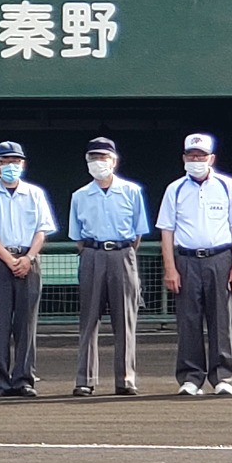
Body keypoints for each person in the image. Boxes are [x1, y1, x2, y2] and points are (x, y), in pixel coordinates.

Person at [155, 133, 232, 397]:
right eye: (191, 156)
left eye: (201, 156)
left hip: (220, 258)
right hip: (186, 259)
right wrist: (170, 268)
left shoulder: (227, 186)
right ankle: (190, 377)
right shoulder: (174, 189)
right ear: (184, 158)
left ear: (212, 158)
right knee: (188, 320)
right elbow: (167, 231)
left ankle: (223, 377)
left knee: (221, 319)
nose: (196, 160)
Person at [0, 140, 57, 397]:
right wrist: (9, 260)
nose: (11, 166)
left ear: (23, 164)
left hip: (29, 260)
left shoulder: (35, 193)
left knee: (26, 324)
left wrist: (28, 257)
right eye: (6, 162)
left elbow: (42, 230)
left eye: (15, 162)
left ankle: (23, 379)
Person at [68, 136, 149, 396]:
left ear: (114, 161)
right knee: (89, 319)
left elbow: (138, 234)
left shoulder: (132, 191)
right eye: (93, 157)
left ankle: (125, 379)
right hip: (92, 253)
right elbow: (77, 236)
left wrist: (120, 251)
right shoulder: (79, 195)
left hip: (122, 254)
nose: (98, 162)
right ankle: (85, 379)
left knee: (125, 319)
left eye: (103, 157)